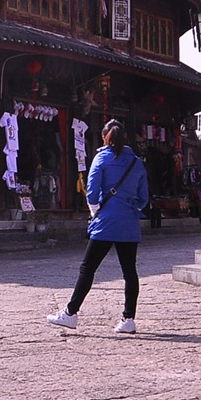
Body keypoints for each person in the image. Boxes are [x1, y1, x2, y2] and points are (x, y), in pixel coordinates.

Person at [47, 119, 149, 334]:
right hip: (129, 223)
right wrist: (130, 207)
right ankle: (128, 319)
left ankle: (70, 313)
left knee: (88, 268)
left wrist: (96, 213)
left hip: (106, 222)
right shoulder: (137, 162)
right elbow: (143, 198)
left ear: (105, 137)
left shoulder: (101, 158)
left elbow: (91, 192)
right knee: (130, 272)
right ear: (125, 138)